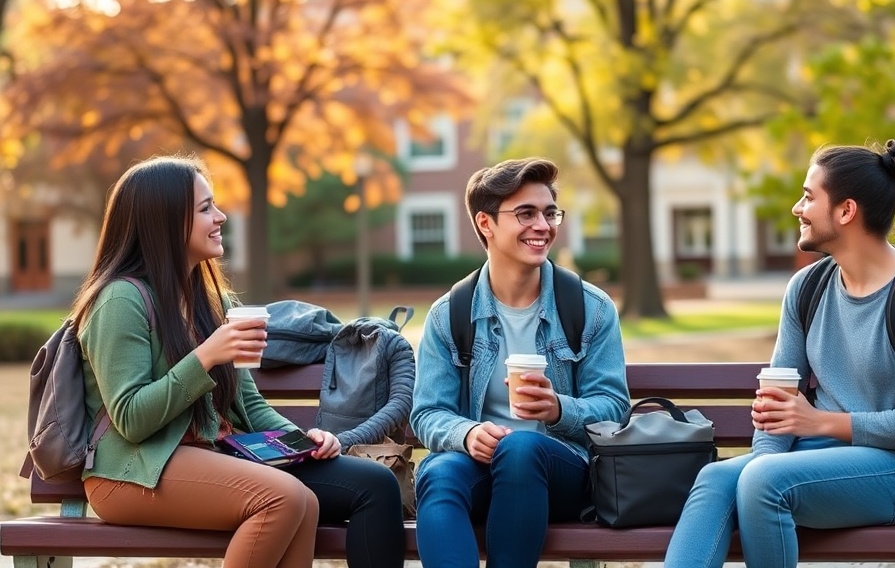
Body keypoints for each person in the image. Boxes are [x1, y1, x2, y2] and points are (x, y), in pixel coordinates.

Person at [71, 155, 404, 568]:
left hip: (213, 454)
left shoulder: (211, 302)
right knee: (282, 497)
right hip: (129, 473)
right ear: (165, 221)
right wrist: (208, 355)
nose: (221, 216)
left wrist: (304, 439)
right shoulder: (120, 300)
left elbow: (249, 406)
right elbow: (132, 419)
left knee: (314, 498)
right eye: (205, 208)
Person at [664, 139, 895, 568]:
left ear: (845, 211)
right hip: (814, 458)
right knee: (717, 479)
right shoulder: (807, 288)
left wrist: (818, 422)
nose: (796, 208)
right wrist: (761, 463)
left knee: (764, 481)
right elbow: (778, 398)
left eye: (808, 197)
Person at [411, 157, 630, 567]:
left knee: (523, 446)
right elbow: (427, 412)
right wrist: (466, 433)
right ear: (486, 224)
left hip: (563, 472)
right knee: (438, 475)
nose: (543, 226)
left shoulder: (590, 308)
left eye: (549, 213)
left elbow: (615, 409)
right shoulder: (450, 314)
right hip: (478, 468)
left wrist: (559, 409)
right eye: (525, 213)